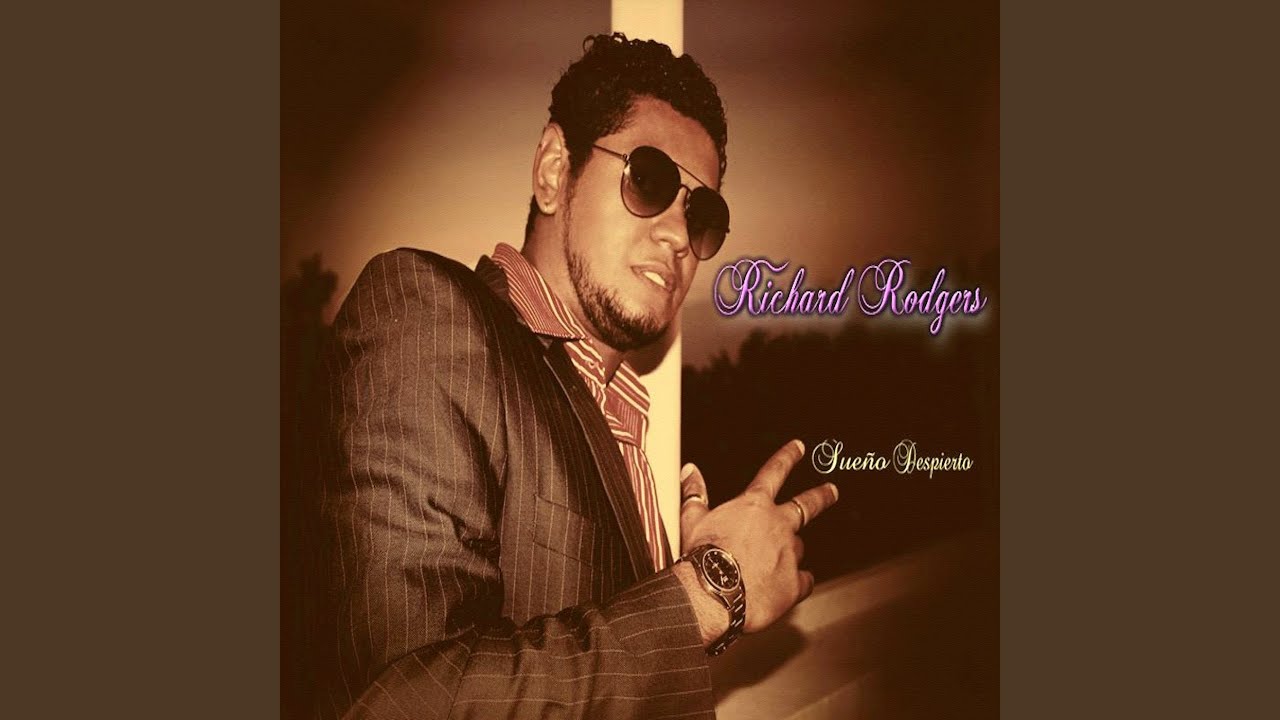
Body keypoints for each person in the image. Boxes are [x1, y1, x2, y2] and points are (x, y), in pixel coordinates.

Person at [308, 33, 840, 720]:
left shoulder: (618, 414)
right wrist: (710, 591)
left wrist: (692, 592)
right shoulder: (430, 315)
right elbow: (404, 698)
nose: (680, 235)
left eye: (703, 214)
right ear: (555, 170)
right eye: (649, 180)